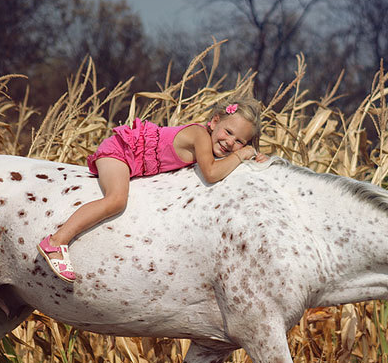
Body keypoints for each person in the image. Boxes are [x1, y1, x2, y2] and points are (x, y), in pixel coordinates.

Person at [37, 96, 268, 282]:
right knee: (116, 199)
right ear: (215, 121)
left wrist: (254, 158)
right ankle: (56, 242)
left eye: (239, 141)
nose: (230, 143)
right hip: (122, 152)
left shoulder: (212, 144)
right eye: (228, 132)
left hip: (133, 161)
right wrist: (241, 154)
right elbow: (211, 173)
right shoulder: (200, 135)